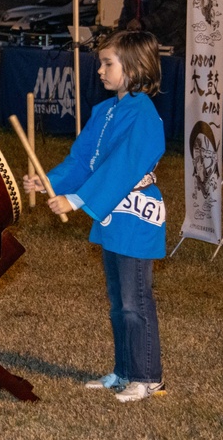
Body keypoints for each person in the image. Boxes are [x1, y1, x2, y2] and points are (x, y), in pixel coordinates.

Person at [22, 30, 167, 403]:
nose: (100, 70)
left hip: (135, 216)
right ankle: (123, 372)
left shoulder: (144, 116)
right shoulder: (105, 111)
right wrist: (49, 182)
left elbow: (123, 167)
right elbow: (82, 160)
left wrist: (77, 199)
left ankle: (147, 376)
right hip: (112, 217)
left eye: (108, 64)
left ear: (134, 68)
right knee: (119, 300)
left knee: (136, 300)